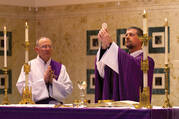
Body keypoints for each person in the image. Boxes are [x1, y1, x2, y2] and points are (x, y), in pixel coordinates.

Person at [95, 26, 154, 102]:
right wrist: (104, 47)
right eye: (126, 35)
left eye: (131, 35)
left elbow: (132, 67)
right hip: (115, 106)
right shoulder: (119, 60)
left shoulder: (147, 60)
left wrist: (110, 44)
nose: (127, 37)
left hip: (134, 108)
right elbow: (103, 71)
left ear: (141, 39)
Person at [16, 37, 73, 104]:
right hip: (35, 107)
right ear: (37, 50)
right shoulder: (28, 66)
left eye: (49, 46)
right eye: (44, 46)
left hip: (56, 107)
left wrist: (52, 82)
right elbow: (22, 88)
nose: (47, 49)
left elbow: (68, 89)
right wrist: (44, 81)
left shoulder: (60, 67)